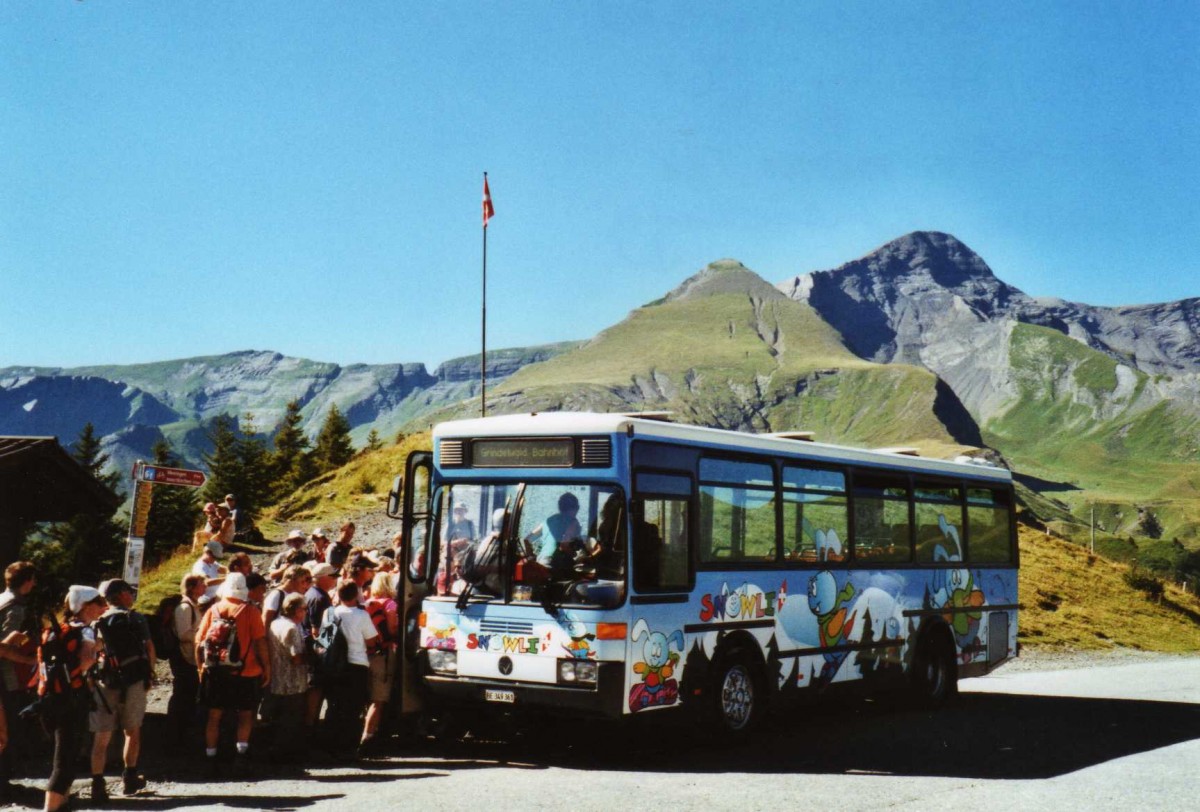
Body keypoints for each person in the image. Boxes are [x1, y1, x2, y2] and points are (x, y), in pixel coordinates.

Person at [195, 573, 270, 773]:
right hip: (246, 671)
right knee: (246, 715)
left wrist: (201, 667)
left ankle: (210, 756)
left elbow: (199, 641)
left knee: (214, 716)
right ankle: (241, 755)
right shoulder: (250, 611)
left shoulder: (214, 609)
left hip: (216, 672)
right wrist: (267, 667)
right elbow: (260, 641)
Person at [42, 585, 106, 812]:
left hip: (52, 697)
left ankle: (63, 804)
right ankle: (51, 809)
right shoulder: (86, 631)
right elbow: (86, 660)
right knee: (65, 761)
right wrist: (97, 649)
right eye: (99, 603)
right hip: (72, 698)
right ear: (86, 606)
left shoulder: (58, 629)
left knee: (63, 754)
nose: (103, 607)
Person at [90, 579, 155, 800]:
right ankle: (130, 778)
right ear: (120, 595)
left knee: (102, 737)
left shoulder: (98, 621)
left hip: (106, 681)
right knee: (132, 731)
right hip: (134, 680)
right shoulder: (136, 618)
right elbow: (149, 648)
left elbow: (93, 651)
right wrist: (149, 675)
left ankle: (98, 784)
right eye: (128, 591)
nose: (131, 594)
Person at [320, 582, 378, 756]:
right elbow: (371, 641)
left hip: (334, 665)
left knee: (334, 706)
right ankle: (348, 748)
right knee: (353, 709)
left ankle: (330, 746)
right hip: (356, 664)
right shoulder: (362, 615)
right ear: (356, 595)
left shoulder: (329, 613)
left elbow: (325, 638)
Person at [0, 561, 38, 799]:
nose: (35, 584)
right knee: (7, 730)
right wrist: (29, 661)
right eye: (33, 579)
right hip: (6, 677)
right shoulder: (16, 608)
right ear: (27, 581)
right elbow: (2, 648)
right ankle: (3, 786)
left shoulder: (1, 599)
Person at [263, 593, 309, 766]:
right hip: (293, 682)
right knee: (291, 721)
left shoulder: (275, 623)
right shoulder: (292, 628)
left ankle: (275, 754)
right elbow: (296, 657)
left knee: (278, 719)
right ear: (297, 610)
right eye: (304, 609)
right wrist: (313, 656)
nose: (305, 612)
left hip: (277, 679)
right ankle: (285, 758)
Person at [361, 573, 399, 755]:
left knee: (368, 697)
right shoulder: (390, 604)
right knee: (379, 699)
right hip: (383, 654)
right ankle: (367, 739)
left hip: (366, 653)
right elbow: (392, 629)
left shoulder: (368, 603)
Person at [168, 574, 205, 744]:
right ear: (191, 587)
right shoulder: (184, 607)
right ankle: (175, 733)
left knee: (189, 694)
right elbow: (183, 634)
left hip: (190, 655)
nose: (205, 586)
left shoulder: (193, 605)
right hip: (184, 657)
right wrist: (202, 635)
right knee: (183, 693)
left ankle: (181, 732)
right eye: (201, 584)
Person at [302, 563, 338, 732]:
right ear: (323, 578)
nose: (335, 579)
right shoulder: (319, 598)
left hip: (312, 650)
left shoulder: (311, 593)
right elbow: (317, 630)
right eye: (332, 576)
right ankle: (310, 726)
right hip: (317, 652)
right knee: (316, 690)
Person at [525, 492, 585, 569]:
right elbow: (564, 545)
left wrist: (531, 557)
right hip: (554, 564)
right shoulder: (573, 522)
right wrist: (576, 557)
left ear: (560, 507)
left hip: (540, 563)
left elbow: (527, 540)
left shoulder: (548, 521)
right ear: (576, 508)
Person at [191, 542, 227, 606]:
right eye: (214, 556)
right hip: (207, 600)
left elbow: (224, 569)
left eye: (216, 557)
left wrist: (234, 572)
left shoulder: (212, 562)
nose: (215, 559)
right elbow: (207, 582)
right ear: (207, 552)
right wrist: (227, 579)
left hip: (216, 596)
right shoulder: (199, 566)